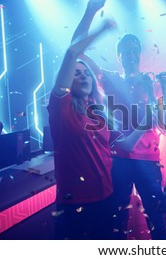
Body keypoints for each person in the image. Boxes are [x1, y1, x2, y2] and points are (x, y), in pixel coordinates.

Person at [72, 0, 166, 240]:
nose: (132, 56)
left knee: (158, 219)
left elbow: (160, 117)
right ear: (118, 56)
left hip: (148, 159)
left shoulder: (152, 81)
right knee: (115, 220)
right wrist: (90, 13)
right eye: (126, 52)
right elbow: (77, 50)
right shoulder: (109, 78)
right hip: (117, 160)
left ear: (140, 54)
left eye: (135, 51)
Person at [48, 18, 126, 239]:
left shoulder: (97, 110)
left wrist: (147, 121)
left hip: (107, 198)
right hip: (75, 204)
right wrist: (94, 18)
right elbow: (72, 53)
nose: (83, 75)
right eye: (76, 73)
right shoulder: (61, 107)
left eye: (86, 73)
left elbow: (123, 144)